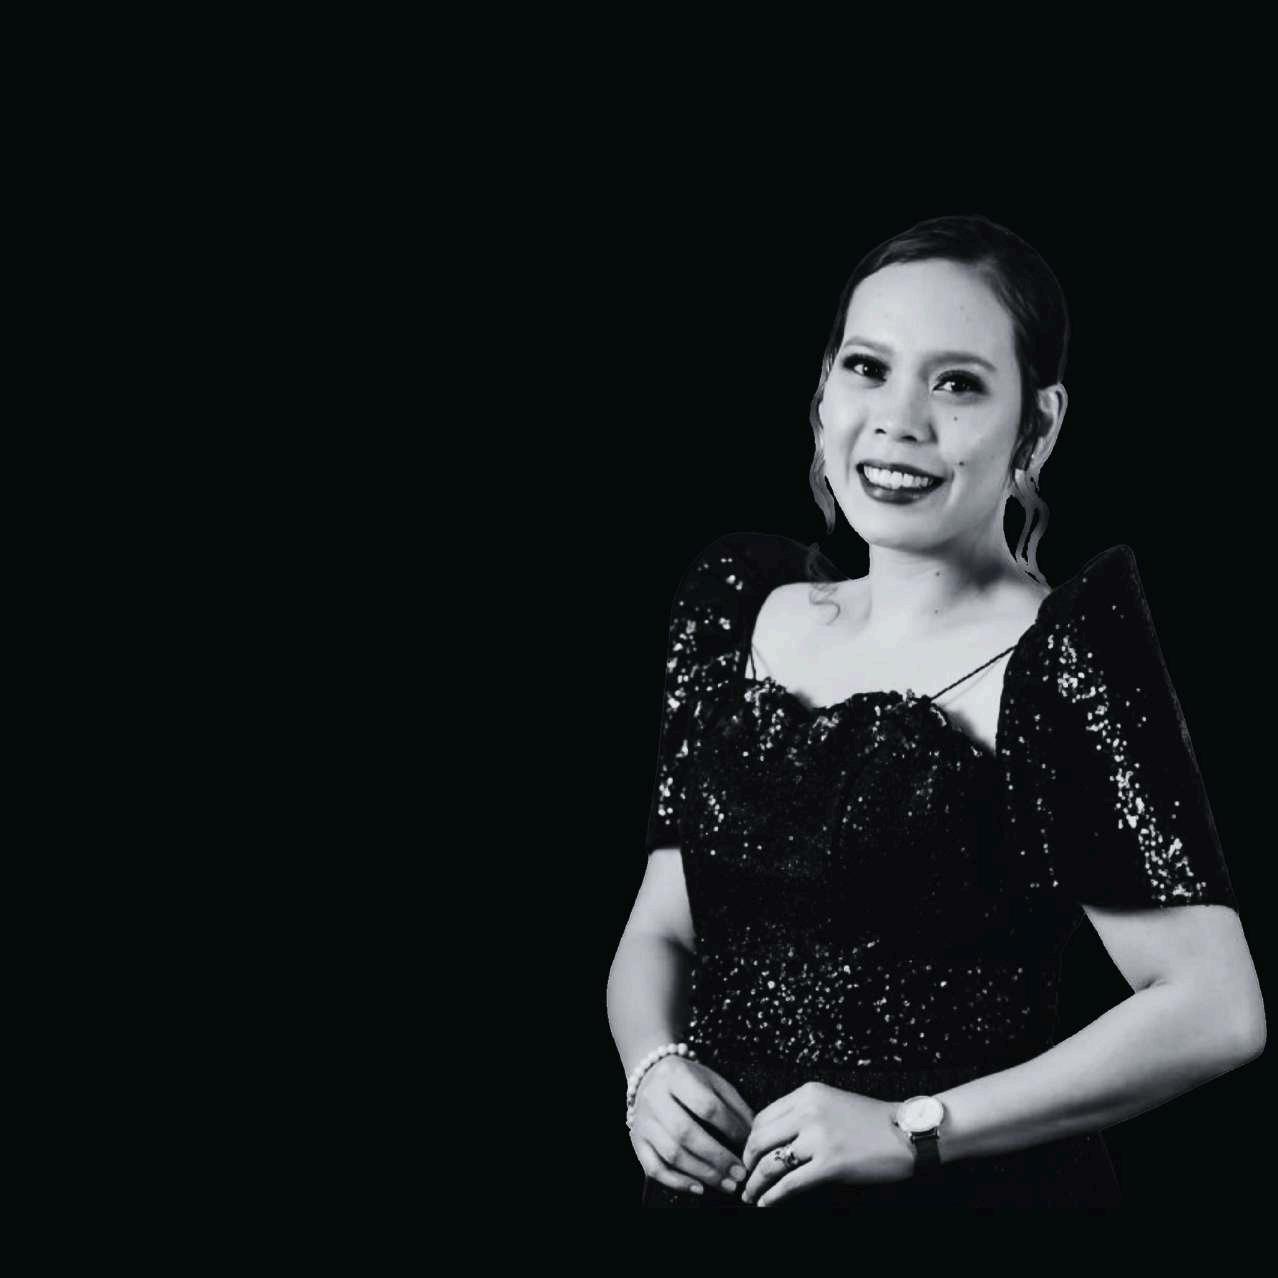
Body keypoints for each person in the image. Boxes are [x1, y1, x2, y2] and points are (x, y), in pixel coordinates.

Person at [605, 213, 1265, 1209]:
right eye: (868, 368)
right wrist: (650, 1068)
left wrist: (914, 1128)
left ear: (1038, 425)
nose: (898, 421)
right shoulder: (736, 608)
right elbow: (661, 926)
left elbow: (1217, 1010)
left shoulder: (1062, 657)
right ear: (824, 389)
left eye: (956, 383)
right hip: (716, 1207)